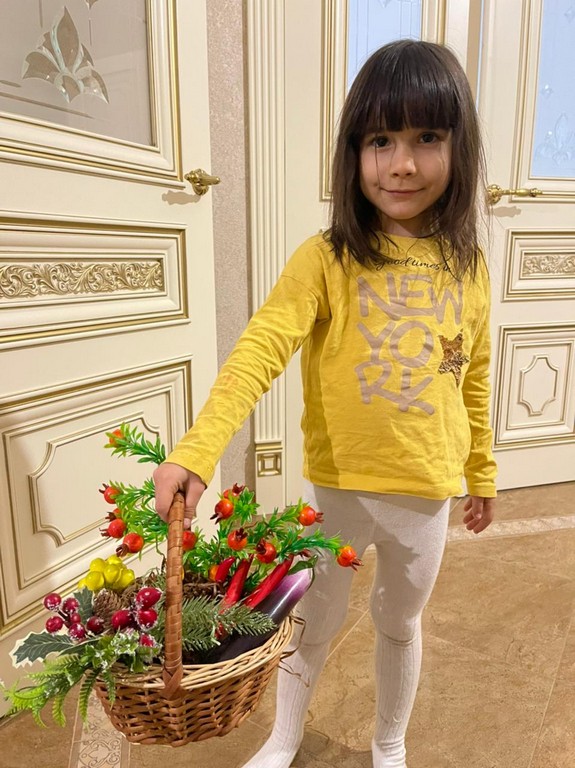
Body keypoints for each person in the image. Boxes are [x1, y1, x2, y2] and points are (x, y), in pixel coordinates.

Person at [153, 39, 497, 768]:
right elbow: (260, 349)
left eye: (426, 138)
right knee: (313, 617)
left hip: (426, 492)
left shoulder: (469, 269)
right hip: (339, 487)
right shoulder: (325, 258)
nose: (401, 164)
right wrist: (199, 449)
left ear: (458, 148)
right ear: (353, 152)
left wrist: (482, 473)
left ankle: (389, 744)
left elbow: (473, 378)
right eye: (380, 141)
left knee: (399, 623)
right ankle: (283, 739)